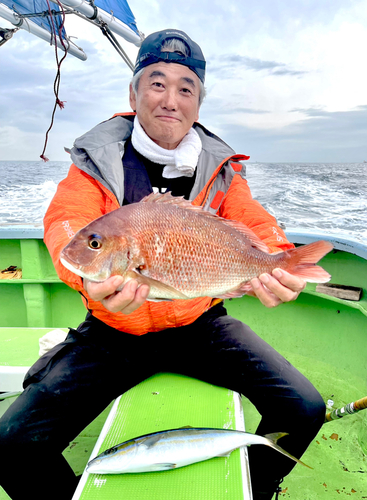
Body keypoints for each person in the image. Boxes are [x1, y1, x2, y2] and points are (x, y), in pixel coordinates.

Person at [0, 29, 325, 500]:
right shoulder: (96, 159)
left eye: (185, 87)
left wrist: (279, 260)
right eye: (156, 83)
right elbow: (68, 225)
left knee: (303, 407)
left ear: (198, 103)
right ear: (133, 93)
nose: (170, 99)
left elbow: (253, 221)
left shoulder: (222, 170)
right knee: (10, 446)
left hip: (199, 324)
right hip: (114, 329)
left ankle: (254, 489)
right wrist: (86, 283)